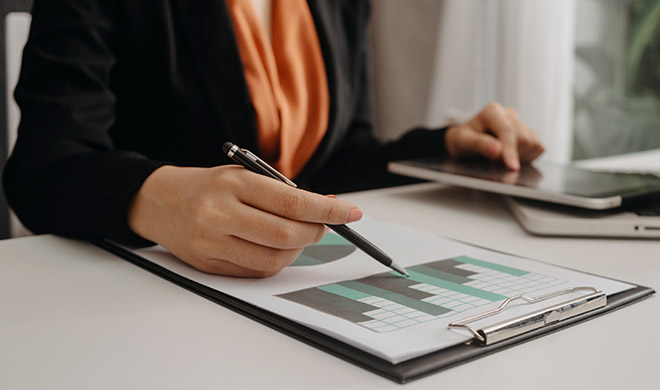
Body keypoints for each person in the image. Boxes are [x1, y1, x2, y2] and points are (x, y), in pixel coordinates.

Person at [2, 0, 543, 277]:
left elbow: (339, 158)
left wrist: (445, 144)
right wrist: (157, 199)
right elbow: (42, 165)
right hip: (139, 297)